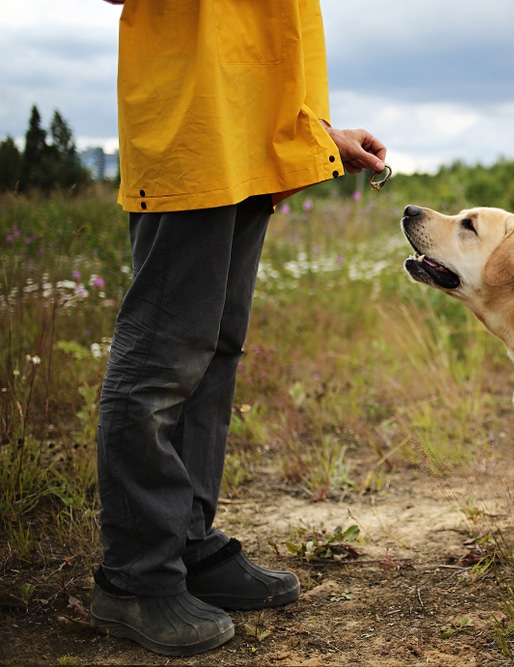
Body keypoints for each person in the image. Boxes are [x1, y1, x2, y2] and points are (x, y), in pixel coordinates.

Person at [92, 0, 387, 657]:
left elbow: (270, 29)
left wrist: (315, 131)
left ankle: (188, 546)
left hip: (255, 142)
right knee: (159, 367)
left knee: (213, 353)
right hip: (194, 132)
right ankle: (136, 577)